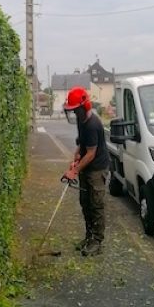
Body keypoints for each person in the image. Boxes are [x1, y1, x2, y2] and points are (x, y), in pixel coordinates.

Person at [62, 86, 110, 256]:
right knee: (85, 203)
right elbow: (82, 145)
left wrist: (74, 171)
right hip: (86, 167)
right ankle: (89, 236)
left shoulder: (92, 124)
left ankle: (97, 241)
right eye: (72, 110)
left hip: (97, 169)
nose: (74, 113)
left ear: (84, 106)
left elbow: (91, 154)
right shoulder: (82, 122)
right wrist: (75, 158)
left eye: (76, 110)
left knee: (96, 205)